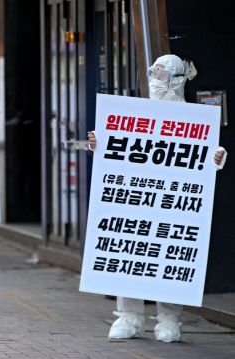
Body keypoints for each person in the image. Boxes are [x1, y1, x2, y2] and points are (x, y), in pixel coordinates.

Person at [88, 54, 227, 342]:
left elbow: (202, 159)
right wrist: (99, 147)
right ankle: (129, 316)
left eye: (163, 75)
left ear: (179, 79)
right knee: (129, 251)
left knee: (169, 255)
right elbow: (119, 154)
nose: (156, 80)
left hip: (173, 202)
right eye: (153, 72)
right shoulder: (133, 116)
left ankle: (169, 319)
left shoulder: (196, 119)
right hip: (135, 198)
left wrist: (216, 158)